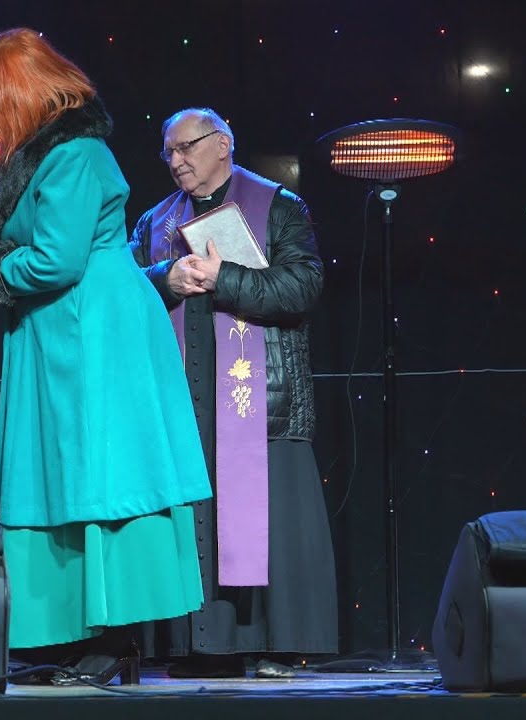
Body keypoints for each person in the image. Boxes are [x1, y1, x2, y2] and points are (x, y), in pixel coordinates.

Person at [0, 29, 211, 686]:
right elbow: (24, 240)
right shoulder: (41, 156)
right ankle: (71, 633)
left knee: (99, 475)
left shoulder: (76, 153)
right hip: (56, 330)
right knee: (57, 477)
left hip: (92, 330)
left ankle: (116, 639)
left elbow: (56, 259)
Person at [129, 107, 336, 679]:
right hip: (181, 398)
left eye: (186, 147)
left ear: (222, 144)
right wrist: (164, 277)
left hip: (259, 398)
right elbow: (122, 291)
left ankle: (269, 645)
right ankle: (197, 647)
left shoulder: (279, 206)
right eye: (168, 152)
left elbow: (303, 287)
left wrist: (226, 278)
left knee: (258, 521)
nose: (175, 161)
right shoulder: (154, 221)